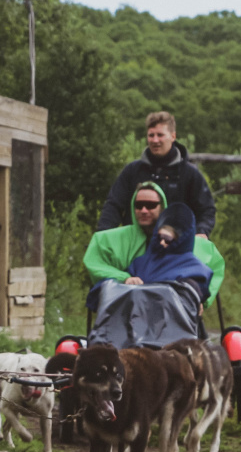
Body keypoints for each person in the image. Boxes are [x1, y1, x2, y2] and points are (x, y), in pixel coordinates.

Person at [83, 182, 224, 313]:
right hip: (127, 311)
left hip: (172, 313)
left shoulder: (191, 244)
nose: (144, 210)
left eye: (150, 205)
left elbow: (214, 267)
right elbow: (95, 262)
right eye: (139, 205)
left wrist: (200, 299)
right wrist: (124, 278)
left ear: (162, 207)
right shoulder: (112, 240)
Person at [98, 111, 217, 236]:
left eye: (160, 135)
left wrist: (201, 233)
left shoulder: (190, 174)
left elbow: (207, 210)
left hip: (176, 246)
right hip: (136, 246)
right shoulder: (132, 171)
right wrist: (103, 236)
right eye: (151, 135)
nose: (155, 140)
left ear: (173, 136)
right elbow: (113, 206)